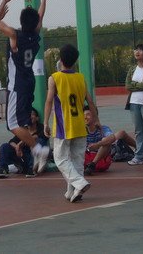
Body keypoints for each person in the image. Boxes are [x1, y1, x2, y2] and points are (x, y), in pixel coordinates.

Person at [0, 0, 52, 174]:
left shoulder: (14, 35)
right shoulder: (35, 34)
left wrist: (4, 0)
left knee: (12, 124)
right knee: (23, 122)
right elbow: (41, 15)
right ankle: (34, 152)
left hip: (17, 85)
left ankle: (38, 149)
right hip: (29, 82)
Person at [43, 44, 98, 203]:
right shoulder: (80, 78)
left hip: (64, 126)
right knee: (77, 160)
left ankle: (80, 183)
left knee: (60, 159)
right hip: (80, 125)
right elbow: (90, 101)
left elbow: (49, 101)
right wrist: (96, 119)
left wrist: (45, 122)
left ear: (60, 59)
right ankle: (71, 191)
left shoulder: (54, 78)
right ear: (75, 61)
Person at [0, 109, 47, 179]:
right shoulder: (23, 129)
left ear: (37, 118)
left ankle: (32, 169)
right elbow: (11, 141)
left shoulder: (42, 128)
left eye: (32, 114)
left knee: (39, 141)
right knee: (4, 146)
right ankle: (3, 170)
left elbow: (38, 137)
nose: (29, 116)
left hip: (32, 157)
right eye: (28, 115)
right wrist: (16, 147)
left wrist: (21, 142)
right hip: (22, 156)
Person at [83, 109, 136, 175]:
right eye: (83, 115)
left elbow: (111, 138)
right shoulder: (81, 130)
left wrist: (97, 145)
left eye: (88, 115)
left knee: (106, 141)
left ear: (95, 117)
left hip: (101, 160)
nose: (85, 117)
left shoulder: (103, 129)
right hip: (86, 159)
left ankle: (92, 165)